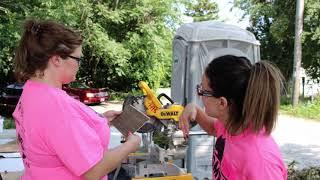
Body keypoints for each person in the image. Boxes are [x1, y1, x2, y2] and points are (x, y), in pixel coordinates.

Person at [13, 19, 141, 180]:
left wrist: (100, 121)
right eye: (77, 59)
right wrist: (130, 146)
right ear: (57, 59)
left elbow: (54, 137)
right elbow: (93, 171)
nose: (79, 65)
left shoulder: (31, 91)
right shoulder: (57, 108)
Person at [179, 55, 287, 180]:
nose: (200, 96)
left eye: (203, 91)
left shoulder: (261, 161)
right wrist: (194, 109)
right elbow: (212, 128)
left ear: (222, 103)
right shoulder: (231, 124)